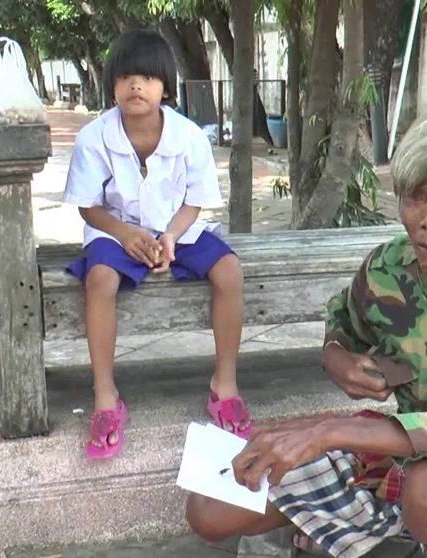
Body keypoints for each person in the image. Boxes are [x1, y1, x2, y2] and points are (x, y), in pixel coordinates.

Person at [185, 107, 427, 558]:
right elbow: (343, 325)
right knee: (211, 507)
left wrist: (329, 431)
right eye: (415, 197)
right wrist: (335, 356)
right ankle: (399, 526)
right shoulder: (386, 270)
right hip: (400, 460)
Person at [63, 29, 252, 460]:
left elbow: (196, 201)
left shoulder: (188, 137)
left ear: (166, 86)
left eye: (147, 78)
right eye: (125, 77)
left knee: (230, 271)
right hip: (114, 232)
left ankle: (225, 385)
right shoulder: (94, 138)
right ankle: (106, 398)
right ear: (111, 83)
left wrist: (169, 234)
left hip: (176, 230)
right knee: (99, 280)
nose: (135, 86)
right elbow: (87, 207)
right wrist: (126, 234)